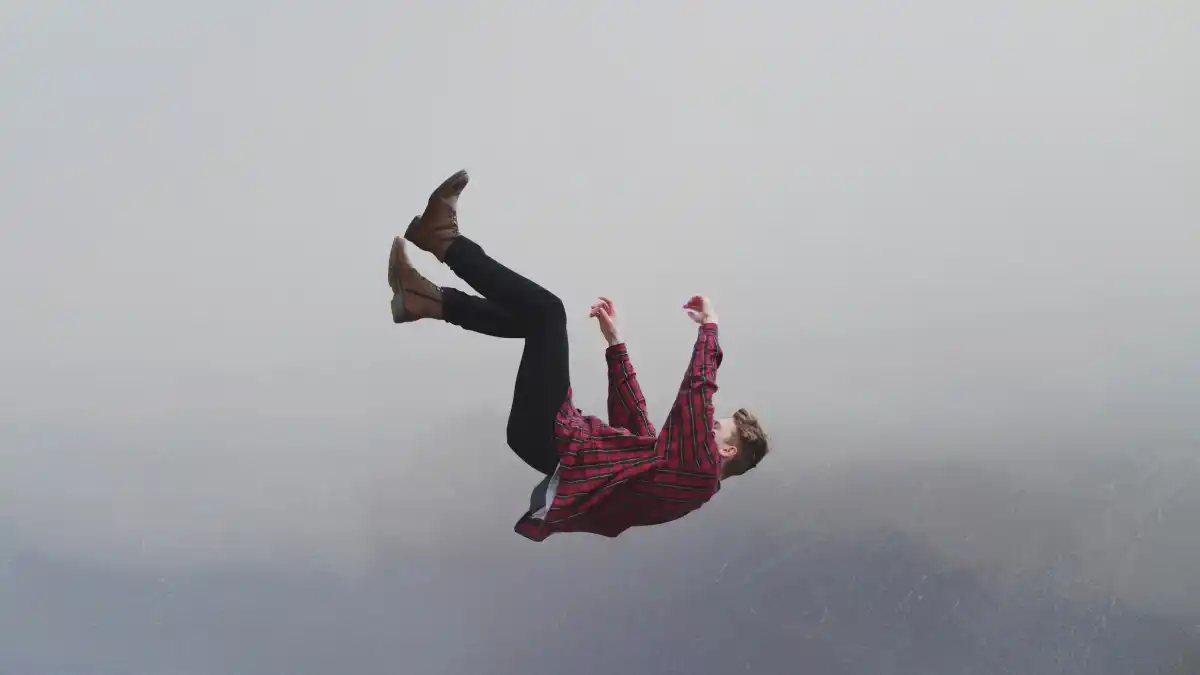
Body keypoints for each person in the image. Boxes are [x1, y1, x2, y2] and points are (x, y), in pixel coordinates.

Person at [388, 169, 770, 541]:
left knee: (547, 311)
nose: (707, 425)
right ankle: (425, 299)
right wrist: (617, 347)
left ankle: (442, 240)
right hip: (550, 440)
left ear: (727, 450)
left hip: (553, 440)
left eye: (716, 428)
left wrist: (709, 329)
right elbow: (637, 433)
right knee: (533, 319)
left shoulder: (700, 472)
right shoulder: (681, 475)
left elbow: (696, 395)